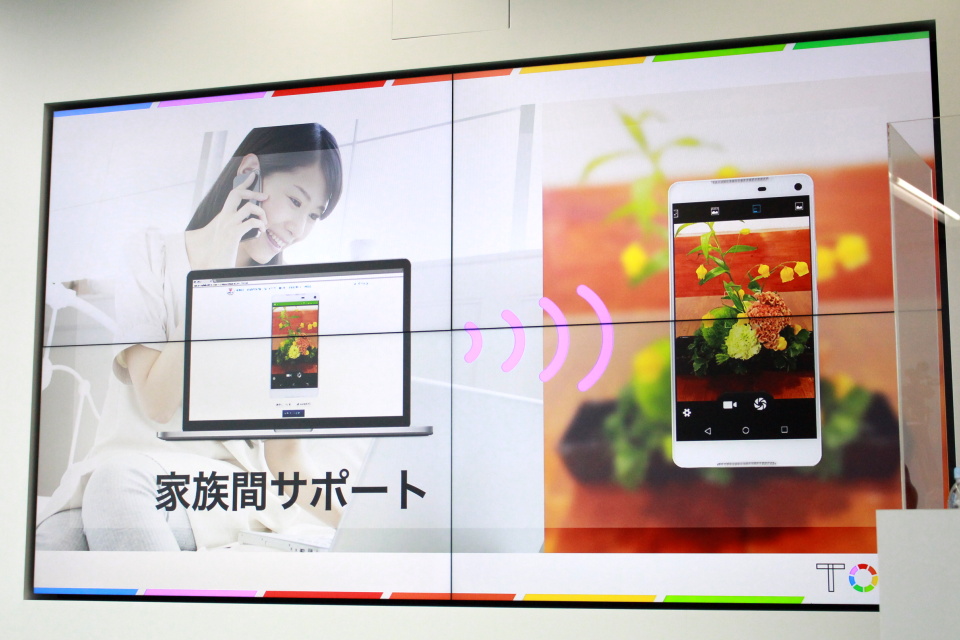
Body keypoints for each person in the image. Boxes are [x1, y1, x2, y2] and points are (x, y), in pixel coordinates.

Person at [36, 123, 370, 551]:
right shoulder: (150, 253)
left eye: (313, 215)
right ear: (249, 173)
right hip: (120, 468)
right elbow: (157, 401)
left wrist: (363, 528)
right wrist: (213, 273)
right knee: (55, 539)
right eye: (295, 201)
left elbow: (286, 459)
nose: (298, 229)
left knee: (116, 490)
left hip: (218, 491)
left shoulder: (293, 308)